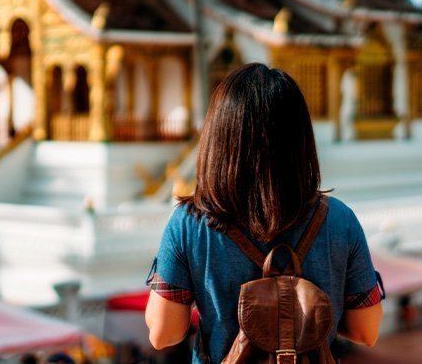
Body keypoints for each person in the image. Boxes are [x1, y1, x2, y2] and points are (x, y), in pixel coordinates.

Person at [144, 63, 384, 363]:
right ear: (300, 140)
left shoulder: (190, 224)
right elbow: (367, 330)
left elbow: (163, 333)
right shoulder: (339, 220)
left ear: (218, 137)